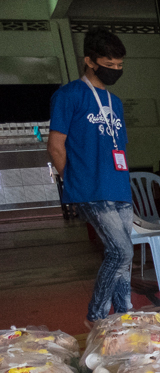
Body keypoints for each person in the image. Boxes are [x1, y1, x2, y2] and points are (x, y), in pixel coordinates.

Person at [47, 26, 132, 327]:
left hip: (119, 185)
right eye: (109, 65)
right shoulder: (69, 95)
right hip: (90, 188)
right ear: (90, 61)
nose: (115, 71)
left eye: (120, 66)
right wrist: (74, 181)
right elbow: (56, 146)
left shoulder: (116, 103)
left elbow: (117, 145)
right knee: (119, 251)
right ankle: (96, 317)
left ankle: (124, 315)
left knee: (126, 257)